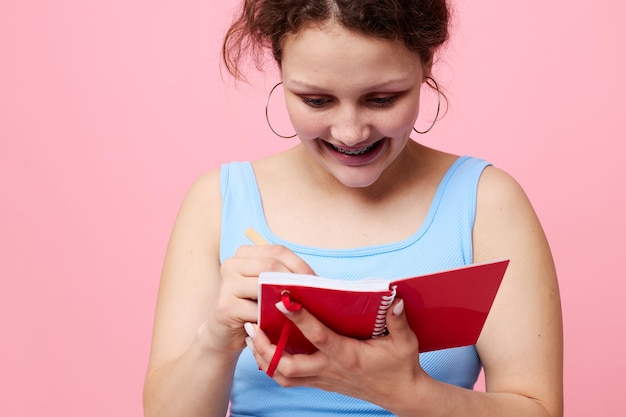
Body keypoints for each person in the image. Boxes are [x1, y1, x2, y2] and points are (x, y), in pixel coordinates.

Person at [143, 1, 563, 416]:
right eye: (316, 101)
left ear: (426, 65)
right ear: (280, 68)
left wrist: (403, 391)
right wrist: (215, 340)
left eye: (382, 99)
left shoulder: (487, 204)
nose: (350, 132)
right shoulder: (218, 201)